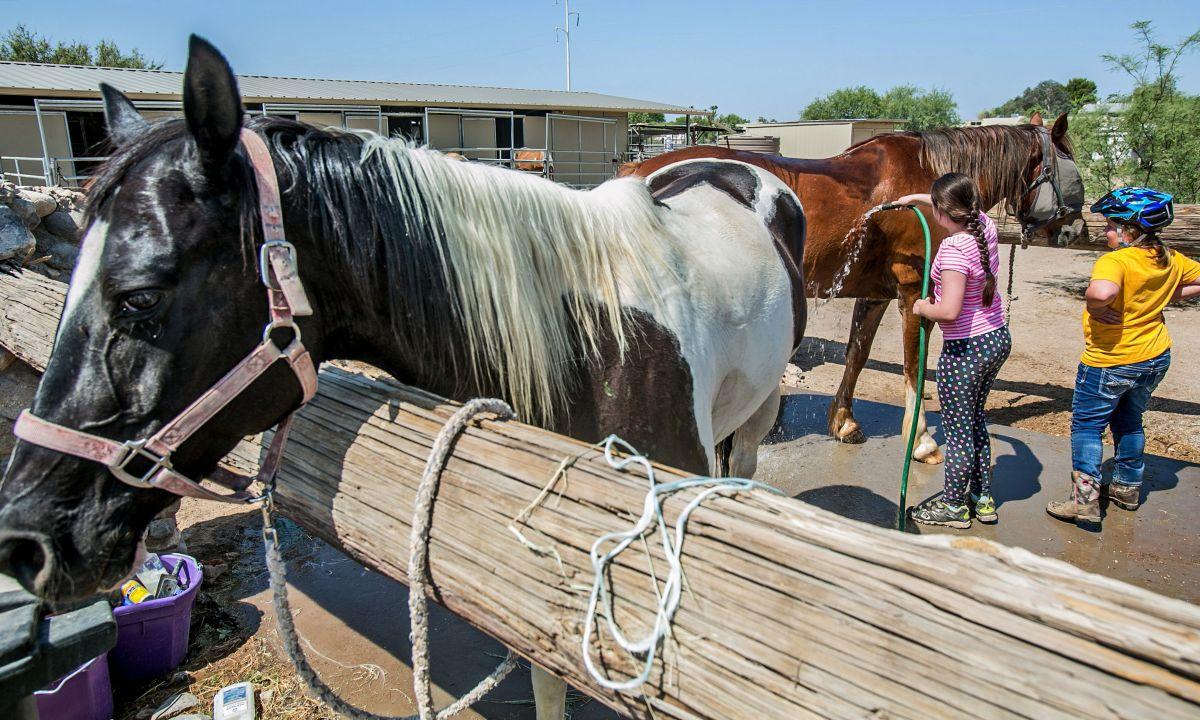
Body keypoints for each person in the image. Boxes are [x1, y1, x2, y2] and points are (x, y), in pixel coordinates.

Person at [1047, 187, 1200, 525]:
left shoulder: (1115, 261)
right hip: (1154, 356)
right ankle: (1127, 487)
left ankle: (1085, 501)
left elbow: (1103, 292)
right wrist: (1165, 298)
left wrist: (1093, 304)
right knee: (1130, 421)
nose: (1106, 231)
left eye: (1111, 225)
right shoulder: (1169, 257)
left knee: (1087, 426)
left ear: (1130, 230)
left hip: (1111, 359)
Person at [892, 173, 1011, 528]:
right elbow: (949, 206)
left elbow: (949, 311)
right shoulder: (983, 226)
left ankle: (954, 507)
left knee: (958, 431)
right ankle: (982, 499)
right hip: (996, 339)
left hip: (967, 349)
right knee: (975, 422)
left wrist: (921, 308)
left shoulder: (954, 249)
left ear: (944, 213)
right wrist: (916, 197)